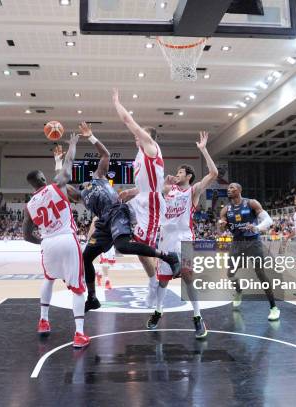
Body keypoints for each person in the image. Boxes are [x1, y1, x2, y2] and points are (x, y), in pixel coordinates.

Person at [64, 122, 180, 312]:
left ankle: (167, 256)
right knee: (86, 257)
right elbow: (61, 182)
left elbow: (105, 155)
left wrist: (91, 136)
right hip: (104, 223)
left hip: (118, 211)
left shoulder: (98, 177)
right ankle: (92, 297)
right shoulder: (81, 197)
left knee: (123, 247)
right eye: (67, 190)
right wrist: (60, 163)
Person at [144, 131, 218, 337]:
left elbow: (213, 174)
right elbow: (150, 193)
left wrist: (203, 150)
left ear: (189, 176)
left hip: (183, 239)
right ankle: (158, 312)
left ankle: (197, 317)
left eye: (180, 172)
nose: (176, 174)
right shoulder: (168, 191)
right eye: (176, 172)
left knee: (187, 277)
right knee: (163, 281)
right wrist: (163, 185)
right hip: (165, 241)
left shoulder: (192, 191)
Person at [22, 133, 90, 348]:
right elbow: (68, 164)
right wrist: (72, 144)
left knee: (49, 278)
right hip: (67, 239)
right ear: (43, 179)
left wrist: (43, 242)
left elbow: (26, 235)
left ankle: (43, 321)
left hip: (48, 242)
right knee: (79, 288)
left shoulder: (29, 206)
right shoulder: (56, 186)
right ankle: (79, 334)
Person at [113, 88, 166, 307]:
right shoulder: (139, 155)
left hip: (152, 203)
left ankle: (154, 281)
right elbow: (145, 184)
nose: (137, 135)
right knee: (110, 215)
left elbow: (128, 120)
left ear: (149, 138)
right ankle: (114, 245)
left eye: (141, 133)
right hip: (141, 198)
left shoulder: (151, 147)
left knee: (142, 246)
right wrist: (130, 192)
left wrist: (116, 102)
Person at [219, 183, 280, 321]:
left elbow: (268, 220)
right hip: (237, 243)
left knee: (261, 274)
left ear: (240, 190)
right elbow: (222, 229)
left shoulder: (251, 203)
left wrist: (256, 228)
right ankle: (239, 291)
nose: (229, 190)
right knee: (230, 273)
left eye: (232, 187)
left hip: (253, 242)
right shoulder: (225, 210)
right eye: (228, 188)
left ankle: (274, 308)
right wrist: (221, 226)